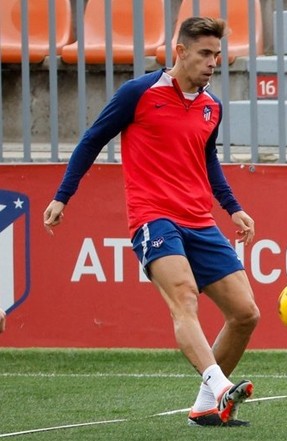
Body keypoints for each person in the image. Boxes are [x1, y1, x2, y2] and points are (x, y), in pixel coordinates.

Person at [42, 17, 259, 427]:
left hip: (199, 219)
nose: (214, 62)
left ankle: (206, 407)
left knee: (246, 313)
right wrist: (62, 196)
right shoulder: (138, 93)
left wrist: (232, 207)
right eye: (205, 54)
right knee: (185, 297)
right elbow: (92, 140)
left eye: (217, 54)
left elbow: (207, 158)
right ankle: (219, 384)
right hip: (154, 217)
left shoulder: (212, 105)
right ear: (179, 52)